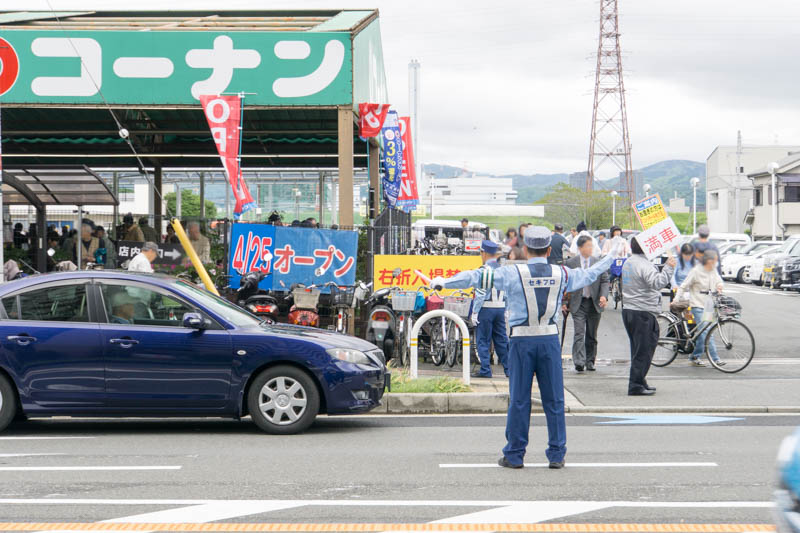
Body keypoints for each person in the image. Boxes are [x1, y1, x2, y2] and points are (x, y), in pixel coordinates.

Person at [431, 226, 621, 469]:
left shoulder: (512, 273)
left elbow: (476, 277)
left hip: (521, 340)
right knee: (554, 400)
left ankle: (515, 454)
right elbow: (590, 274)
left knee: (520, 399)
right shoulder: (562, 272)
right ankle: (556, 454)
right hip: (550, 340)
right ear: (549, 250)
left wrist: (443, 282)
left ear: (526, 250)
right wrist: (611, 257)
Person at [621, 237, 676, 396]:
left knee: (637, 349)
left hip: (630, 309)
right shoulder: (644, 264)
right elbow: (657, 283)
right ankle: (636, 385)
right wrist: (668, 268)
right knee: (644, 350)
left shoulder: (629, 262)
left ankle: (640, 380)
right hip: (643, 311)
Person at [564, 236, 609, 372]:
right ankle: (579, 361)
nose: (590, 249)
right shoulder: (571, 263)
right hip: (578, 302)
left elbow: (605, 280)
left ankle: (590, 361)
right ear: (580, 248)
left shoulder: (598, 262)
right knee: (579, 333)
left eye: (591, 246)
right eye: (588, 246)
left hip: (594, 302)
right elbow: (566, 283)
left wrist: (603, 296)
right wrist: (565, 302)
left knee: (591, 334)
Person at [676, 250, 724, 367]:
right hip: (697, 304)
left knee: (704, 333)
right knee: (707, 332)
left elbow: (719, 281)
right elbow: (683, 286)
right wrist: (676, 299)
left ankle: (694, 356)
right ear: (708, 261)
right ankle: (716, 359)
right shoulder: (696, 271)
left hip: (708, 304)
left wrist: (719, 285)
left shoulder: (713, 270)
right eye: (715, 260)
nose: (716, 262)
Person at [470, 240, 510, 379]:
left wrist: (475, 312)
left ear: (484, 253)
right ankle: (509, 370)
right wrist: (506, 309)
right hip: (500, 308)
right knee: (501, 340)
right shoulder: (502, 270)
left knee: (483, 340)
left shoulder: (483, 270)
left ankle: (485, 370)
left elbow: (480, 293)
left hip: (486, 309)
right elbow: (508, 291)